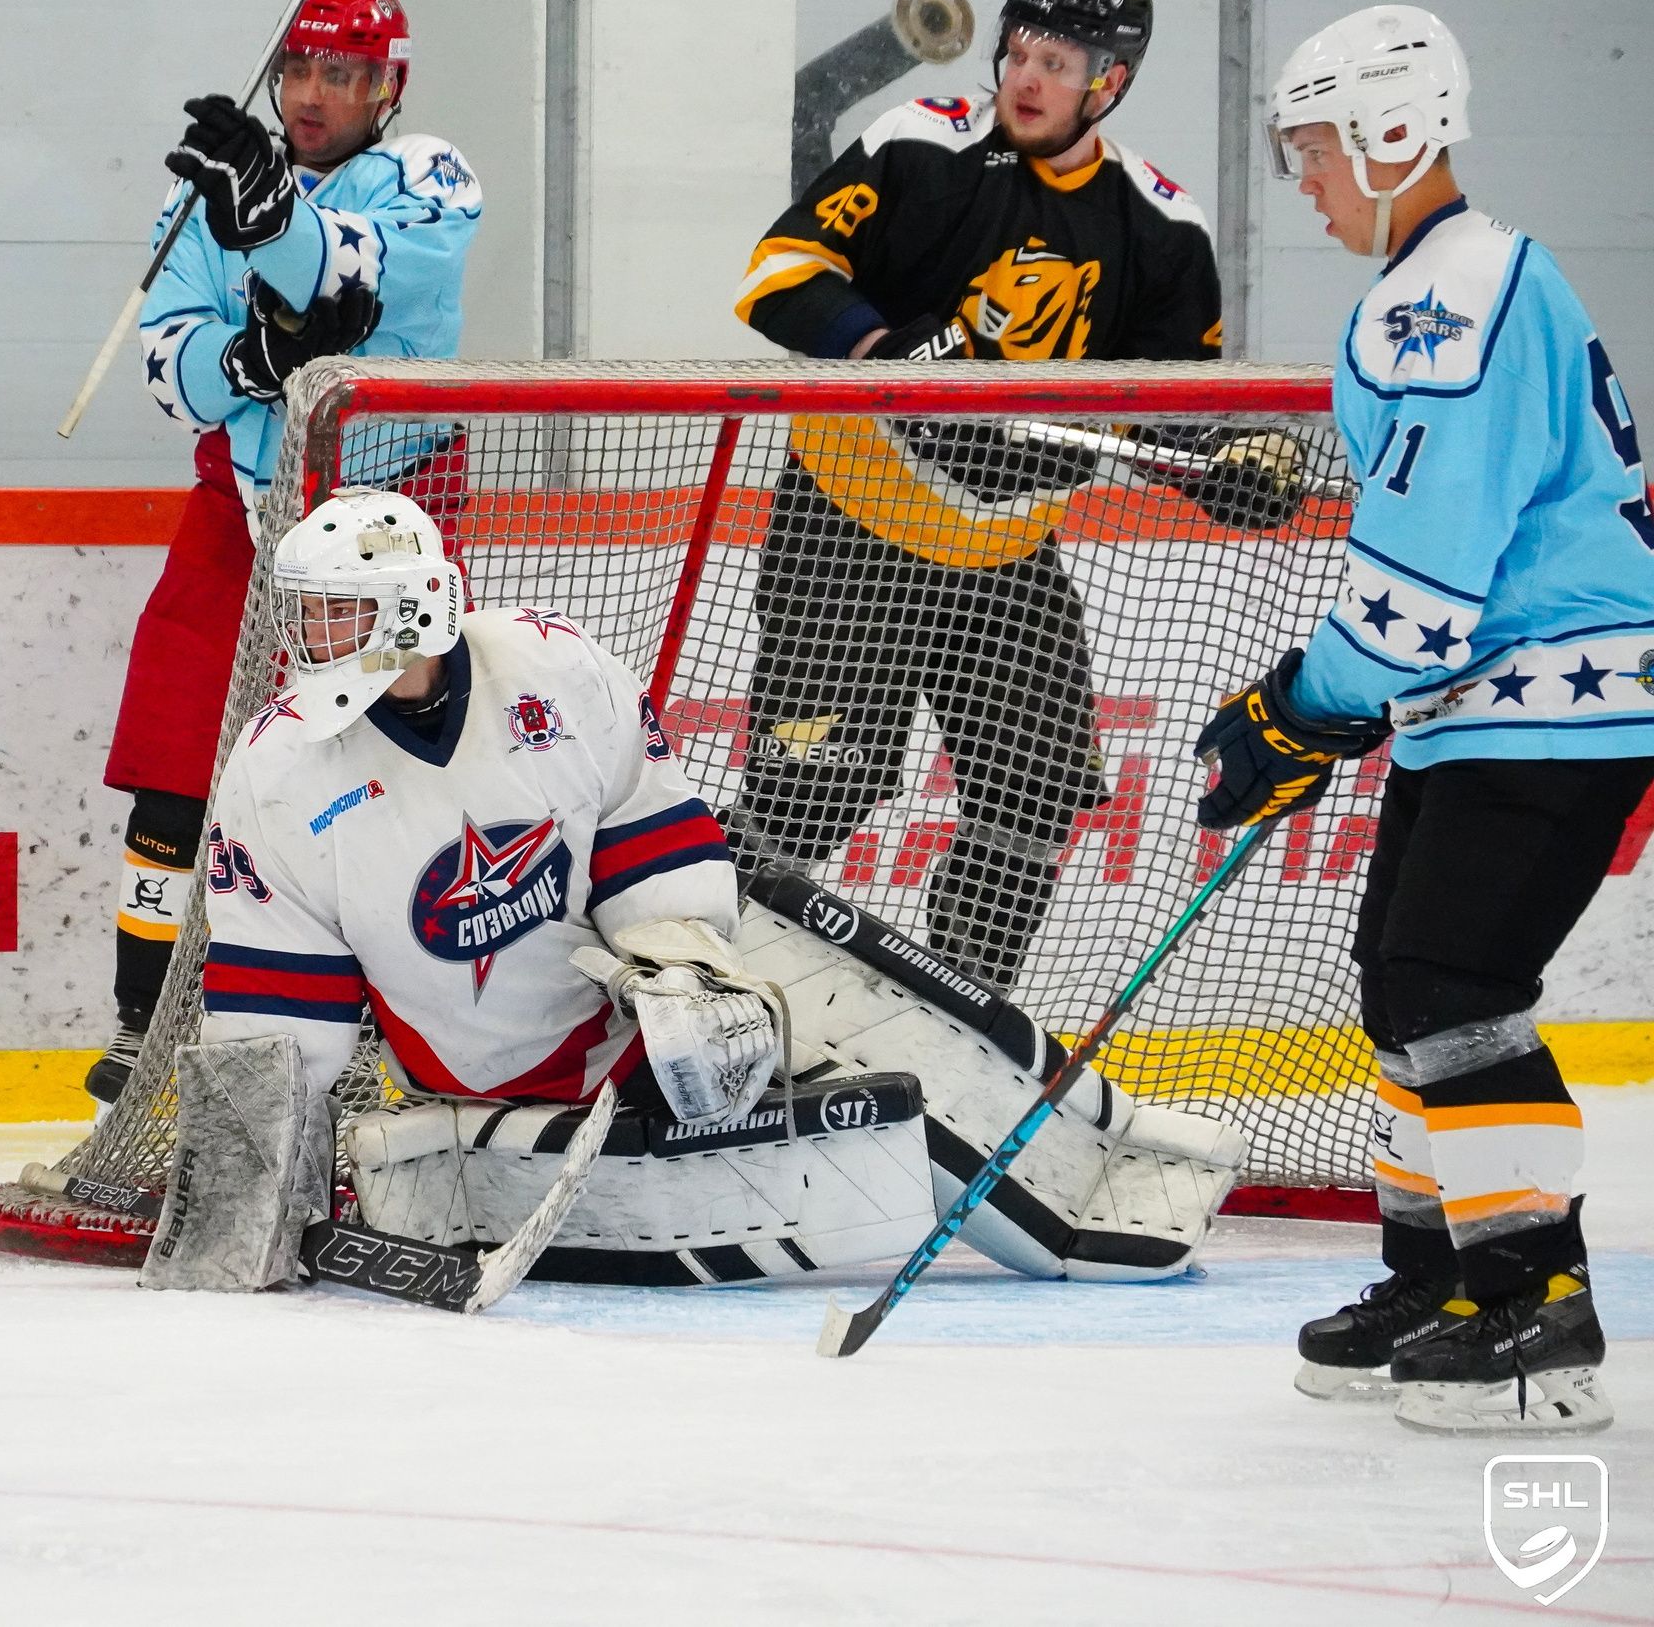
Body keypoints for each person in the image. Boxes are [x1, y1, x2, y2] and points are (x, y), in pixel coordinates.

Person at [148, 491, 1241, 1296]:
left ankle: (1130, 1161)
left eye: (337, 614)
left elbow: (646, 829)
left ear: (416, 609)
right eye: (305, 612)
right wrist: (246, 1212)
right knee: (883, 1127)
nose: (306, 640)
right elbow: (278, 1009)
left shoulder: (556, 670)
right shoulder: (276, 771)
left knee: (890, 1014)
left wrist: (681, 966)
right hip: (496, 1096)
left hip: (635, 1004)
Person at [1203, 7, 1646, 1435]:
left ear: (1395, 133)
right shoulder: (1446, 280)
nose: (1306, 178)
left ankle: (1533, 1301)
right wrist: (1327, 700)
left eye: (1316, 148)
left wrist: (1296, 704)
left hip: (1552, 699)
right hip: (1489, 702)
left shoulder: (1446, 295)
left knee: (1455, 983)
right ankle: (1438, 1271)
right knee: (1403, 982)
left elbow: (1417, 603)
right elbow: (1426, 571)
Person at [726, 0, 1302, 992]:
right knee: (810, 798)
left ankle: (959, 1023)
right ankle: (709, 1002)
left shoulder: (1160, 228)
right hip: (844, 533)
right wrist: (883, 352)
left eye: (1058, 61)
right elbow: (778, 276)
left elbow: (1177, 414)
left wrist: (1232, 460)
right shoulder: (921, 148)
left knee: (1034, 794)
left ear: (1109, 83)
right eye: (1019, 51)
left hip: (1004, 556)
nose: (1024, 79)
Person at [93, 0, 481, 1107]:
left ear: (386, 88)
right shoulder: (208, 194)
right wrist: (247, 363)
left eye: (342, 74)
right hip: (244, 507)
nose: (312, 95)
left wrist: (270, 231)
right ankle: (142, 1019)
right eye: (298, 71)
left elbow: (353, 285)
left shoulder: (427, 176)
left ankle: (382, 1024)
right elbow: (171, 368)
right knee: (175, 765)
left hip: (392, 522)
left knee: (383, 767)